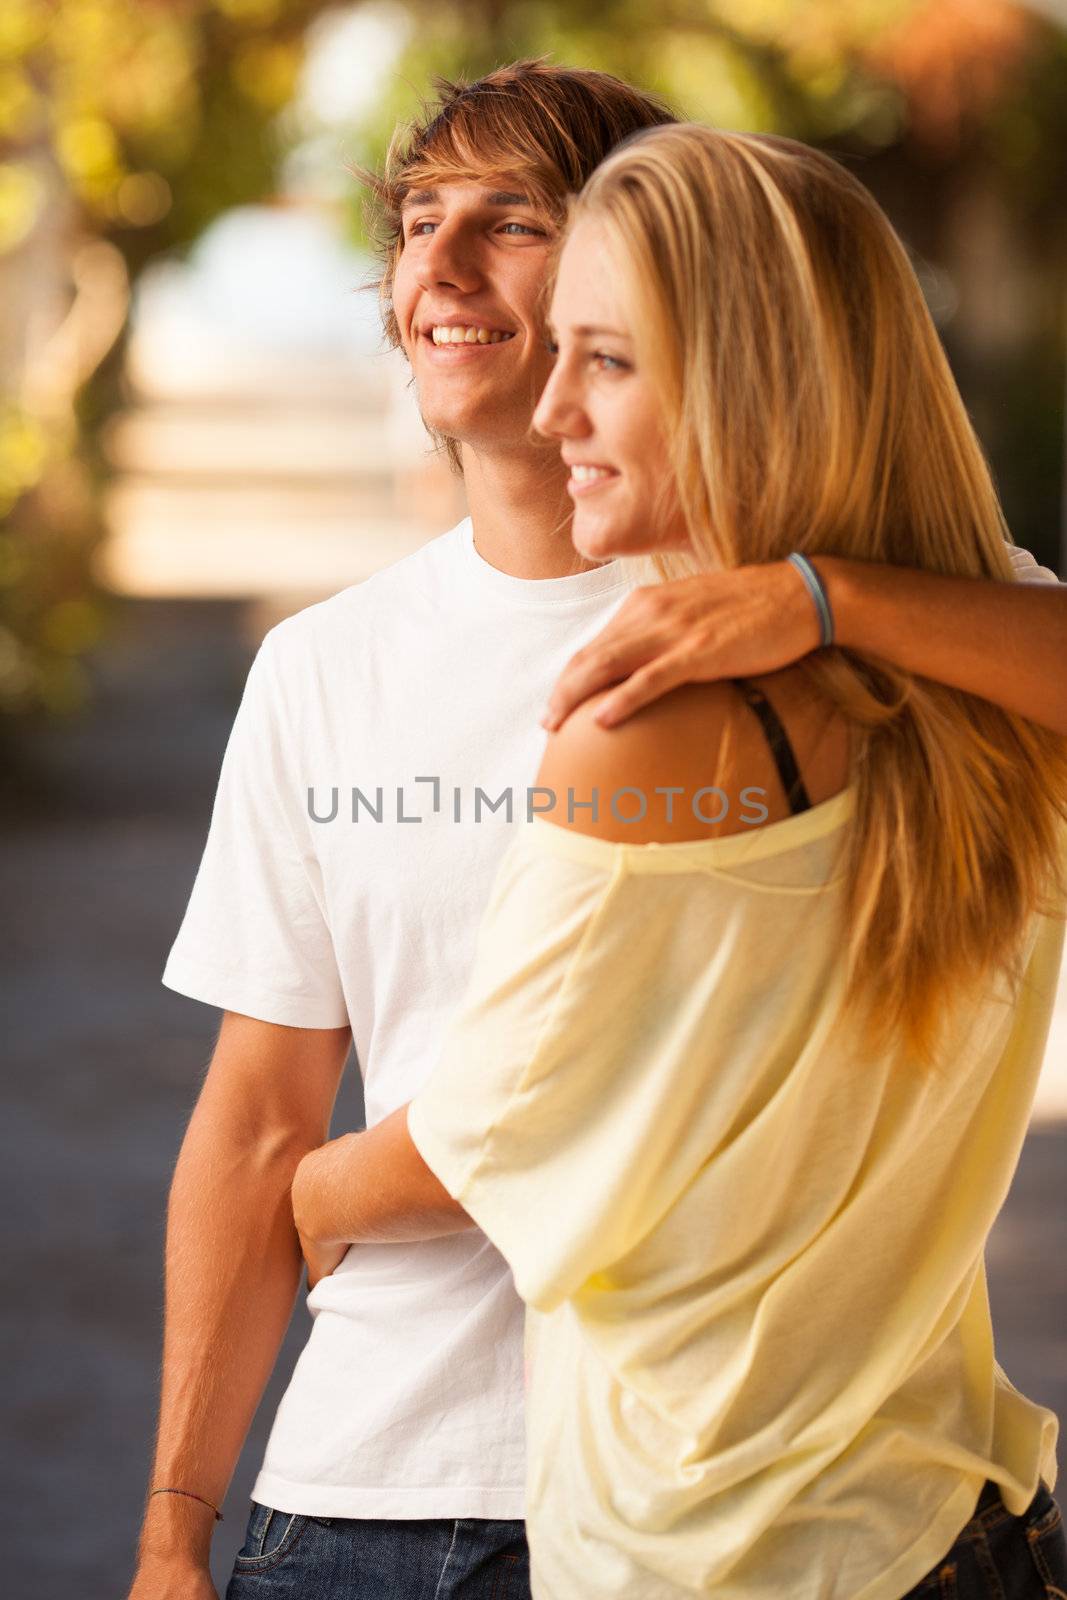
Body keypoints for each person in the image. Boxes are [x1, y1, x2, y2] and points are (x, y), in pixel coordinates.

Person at [128, 59, 1066, 1600]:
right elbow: (252, 1117)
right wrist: (175, 1525)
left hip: (713, 1507)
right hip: (378, 1484)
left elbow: (506, 1114)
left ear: (662, 268)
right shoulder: (324, 669)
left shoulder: (906, 644)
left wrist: (815, 596)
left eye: (509, 222)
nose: (436, 266)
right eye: (418, 220)